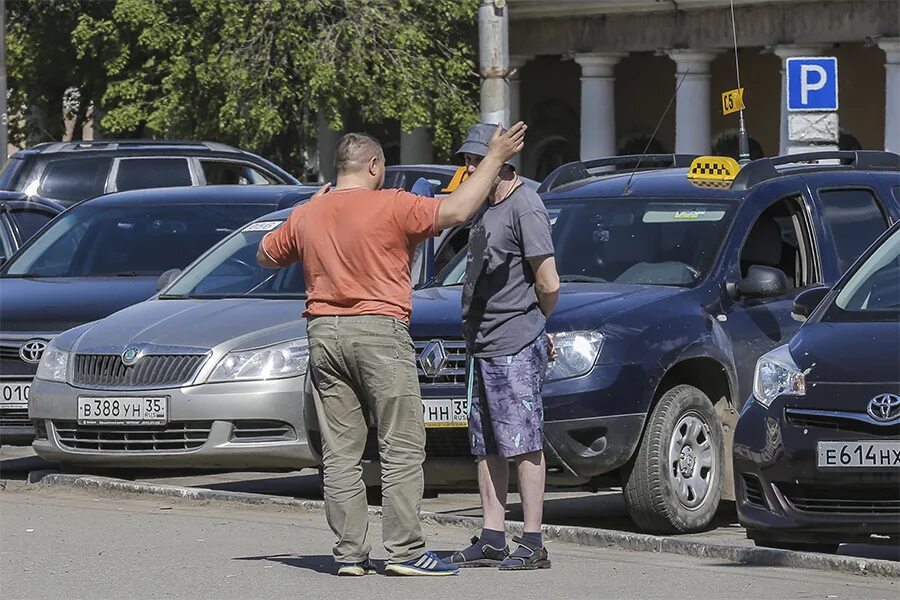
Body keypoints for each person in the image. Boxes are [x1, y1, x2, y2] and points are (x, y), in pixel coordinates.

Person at [256, 123, 527, 576]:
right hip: (380, 331)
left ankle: (350, 554)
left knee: (341, 452)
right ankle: (405, 551)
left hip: (323, 334)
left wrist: (308, 210)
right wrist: (495, 156)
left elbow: (266, 255)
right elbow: (459, 210)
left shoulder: (309, 212)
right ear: (374, 166)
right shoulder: (393, 204)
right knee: (400, 444)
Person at [448, 123, 560, 571]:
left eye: (477, 159)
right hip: (482, 342)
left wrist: (536, 326)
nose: (470, 167)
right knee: (488, 445)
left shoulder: (525, 205)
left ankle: (533, 542)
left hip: (515, 342)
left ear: (503, 162)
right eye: (468, 160)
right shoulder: (482, 204)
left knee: (524, 443)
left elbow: (548, 281)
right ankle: (493, 536)